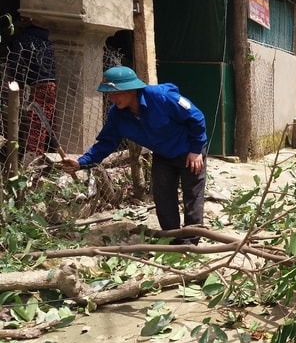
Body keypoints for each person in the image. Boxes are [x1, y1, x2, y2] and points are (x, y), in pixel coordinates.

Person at [62, 66, 208, 245]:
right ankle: (173, 240)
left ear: (131, 89)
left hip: (189, 151)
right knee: (163, 196)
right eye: (109, 94)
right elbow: (107, 143)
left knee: (192, 195)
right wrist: (80, 163)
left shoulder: (162, 97)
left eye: (116, 93)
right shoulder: (117, 114)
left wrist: (195, 150)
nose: (112, 98)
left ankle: (191, 243)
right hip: (163, 155)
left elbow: (197, 117)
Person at [5, 16, 56, 157]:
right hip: (61, 83)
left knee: (36, 124)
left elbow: (15, 64)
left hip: (42, 84)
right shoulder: (52, 36)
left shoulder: (24, 38)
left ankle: (33, 157)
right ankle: (57, 156)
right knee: (55, 123)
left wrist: (17, 86)